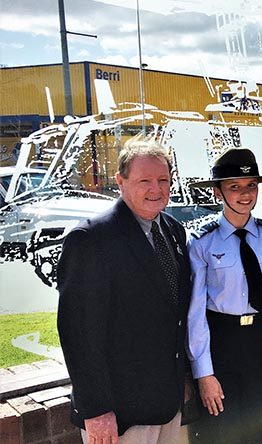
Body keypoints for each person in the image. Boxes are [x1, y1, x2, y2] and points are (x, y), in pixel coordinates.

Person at [57, 138, 191, 444]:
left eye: (163, 180)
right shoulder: (91, 239)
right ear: (120, 181)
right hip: (119, 417)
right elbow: (78, 334)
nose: (156, 189)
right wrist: (97, 411)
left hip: (166, 407)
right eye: (145, 180)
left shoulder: (172, 231)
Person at [186, 148, 262, 443]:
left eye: (251, 186)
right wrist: (204, 373)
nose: (245, 195)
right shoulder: (202, 242)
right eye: (234, 187)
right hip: (223, 343)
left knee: (260, 430)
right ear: (219, 192)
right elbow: (195, 315)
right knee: (222, 431)